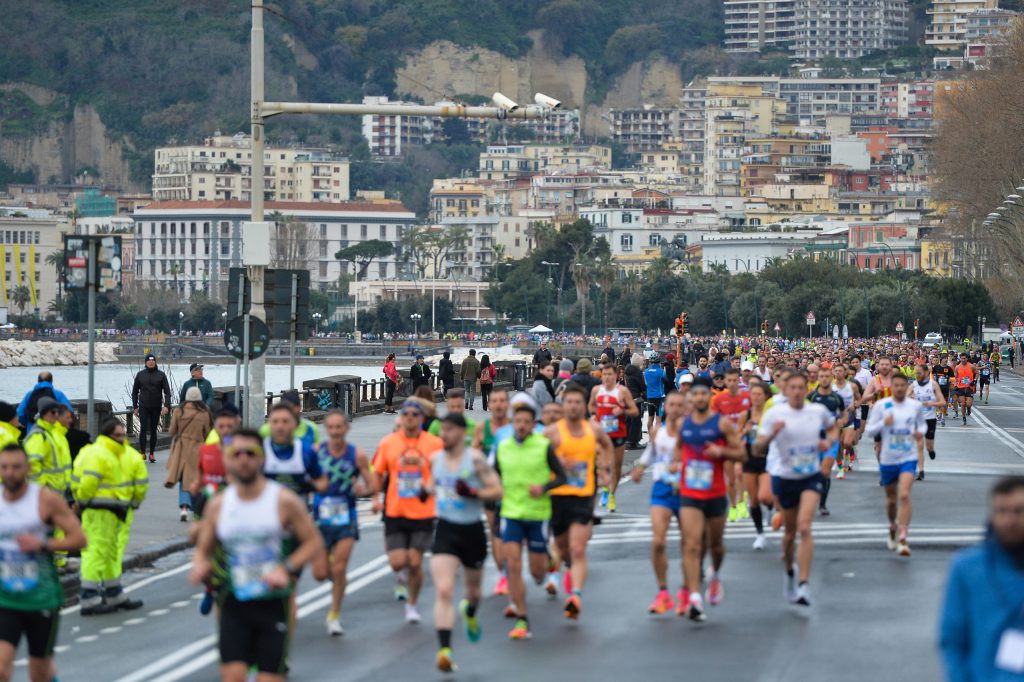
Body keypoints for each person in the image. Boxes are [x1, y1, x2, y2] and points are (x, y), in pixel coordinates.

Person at [188, 429, 324, 682]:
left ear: (262, 458)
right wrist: (200, 566)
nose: (243, 459)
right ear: (227, 458)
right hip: (233, 599)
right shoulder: (218, 505)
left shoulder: (283, 500)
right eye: (236, 453)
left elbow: (313, 541)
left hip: (272, 603)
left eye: (250, 453)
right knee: (233, 677)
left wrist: (286, 568)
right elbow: (203, 550)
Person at [0, 443, 86, 682]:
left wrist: (42, 545)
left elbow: (79, 539)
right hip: (5, 598)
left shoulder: (45, 500)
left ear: (27, 467)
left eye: (16, 467)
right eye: (4, 467)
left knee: (39, 673)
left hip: (42, 598)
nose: (9, 473)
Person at [754, 371, 838, 607]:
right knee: (790, 534)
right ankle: (789, 572)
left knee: (804, 527)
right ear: (785, 389)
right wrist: (772, 434)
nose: (798, 391)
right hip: (784, 477)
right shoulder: (775, 414)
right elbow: (758, 449)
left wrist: (828, 442)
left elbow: (833, 428)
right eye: (793, 387)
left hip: (810, 476)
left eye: (802, 387)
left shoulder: (816, 411)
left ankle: (803, 584)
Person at [427, 413, 502, 672]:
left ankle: (469, 612)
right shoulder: (435, 459)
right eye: (442, 430)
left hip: (472, 531)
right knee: (445, 589)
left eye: (448, 430)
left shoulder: (476, 460)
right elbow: (430, 486)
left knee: (473, 593)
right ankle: (444, 649)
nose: (443, 434)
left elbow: (497, 490)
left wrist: (473, 492)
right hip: (446, 529)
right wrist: (423, 492)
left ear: (460, 432)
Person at [494, 397, 567, 639]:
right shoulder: (503, 447)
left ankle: (549, 560)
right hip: (511, 513)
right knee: (513, 565)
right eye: (518, 421)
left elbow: (562, 477)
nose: (522, 425)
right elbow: (493, 477)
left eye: (527, 421)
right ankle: (522, 619)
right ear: (513, 422)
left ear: (532, 423)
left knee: (537, 575)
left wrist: (544, 487)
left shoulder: (543, 446)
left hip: (538, 515)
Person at [939, 476, 1024, 682]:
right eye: (1001, 511)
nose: (1009, 521)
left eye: (1019, 511)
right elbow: (952, 639)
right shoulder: (967, 568)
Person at [677, 377, 745, 621]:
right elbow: (675, 453)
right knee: (693, 544)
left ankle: (715, 573)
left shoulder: (722, 424)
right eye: (695, 395)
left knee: (715, 545)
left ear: (710, 397)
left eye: (704, 394)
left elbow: (741, 453)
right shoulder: (682, 425)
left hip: (715, 492)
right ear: (690, 398)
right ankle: (695, 598)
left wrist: (722, 452)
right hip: (689, 493)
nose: (700, 398)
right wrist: (674, 470)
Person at [372, 399, 443, 623]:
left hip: (423, 511)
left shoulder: (434, 444)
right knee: (397, 562)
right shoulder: (388, 443)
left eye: (414, 414)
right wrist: (375, 497)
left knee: (414, 562)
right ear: (401, 417)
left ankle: (412, 604)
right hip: (395, 510)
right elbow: (378, 473)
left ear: (421, 418)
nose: (410, 417)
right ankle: (401, 576)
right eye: (406, 414)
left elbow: (442, 473)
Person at [546, 383, 612, 620]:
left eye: (577, 402)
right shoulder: (552, 433)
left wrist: (605, 468)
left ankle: (575, 596)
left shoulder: (593, 429)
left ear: (584, 406)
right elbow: (535, 458)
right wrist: (556, 465)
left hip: (584, 496)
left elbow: (607, 445)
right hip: (558, 497)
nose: (573, 406)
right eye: (569, 402)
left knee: (577, 548)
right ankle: (567, 570)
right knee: (562, 548)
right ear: (563, 406)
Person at [310, 410, 374, 637]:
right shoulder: (317, 453)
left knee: (339, 567)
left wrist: (364, 491)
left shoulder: (356, 455)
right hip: (321, 518)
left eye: (340, 427)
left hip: (346, 518)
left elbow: (372, 484)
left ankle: (334, 615)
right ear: (327, 430)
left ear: (346, 428)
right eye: (332, 428)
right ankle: (332, 571)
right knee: (320, 573)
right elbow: (306, 481)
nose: (335, 432)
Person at [72, 419, 144, 615]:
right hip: (100, 510)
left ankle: (113, 592)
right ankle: (89, 596)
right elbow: (88, 482)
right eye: (119, 435)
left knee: (109, 551)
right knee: (97, 550)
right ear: (109, 435)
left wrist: (81, 500)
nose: (122, 438)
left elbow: (78, 478)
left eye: (123, 434)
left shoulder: (99, 452)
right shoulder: (104, 454)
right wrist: (84, 501)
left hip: (110, 510)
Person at [632, 390, 687, 614]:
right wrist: (640, 469)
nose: (673, 408)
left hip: (686, 490)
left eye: (678, 405)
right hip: (662, 489)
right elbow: (651, 455)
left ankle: (686, 589)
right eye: (670, 405)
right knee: (658, 542)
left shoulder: (691, 433)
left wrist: (682, 464)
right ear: (666, 408)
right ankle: (663, 592)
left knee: (690, 544)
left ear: (684, 409)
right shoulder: (658, 433)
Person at [866, 372, 924, 556]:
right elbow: (869, 431)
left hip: (908, 456)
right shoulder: (882, 406)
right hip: (888, 458)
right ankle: (892, 525)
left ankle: (903, 537)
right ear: (891, 387)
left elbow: (922, 426)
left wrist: (918, 432)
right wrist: (884, 422)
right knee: (892, 499)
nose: (899, 388)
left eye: (902, 385)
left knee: (905, 495)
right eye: (896, 385)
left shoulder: (914, 406)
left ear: (907, 387)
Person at [590, 363, 640, 513]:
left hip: (618, 432)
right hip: (602, 434)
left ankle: (612, 494)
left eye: (610, 374)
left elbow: (635, 411)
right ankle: (605, 490)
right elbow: (591, 406)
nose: (607, 377)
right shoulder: (596, 390)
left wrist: (622, 410)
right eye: (604, 374)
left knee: (616, 467)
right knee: (602, 465)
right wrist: (595, 415)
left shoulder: (622, 391)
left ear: (617, 375)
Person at [710, 368, 752, 523]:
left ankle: (742, 502)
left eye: (735, 380)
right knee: (731, 479)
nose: (733, 383)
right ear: (726, 382)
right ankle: (733, 506)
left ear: (739, 380)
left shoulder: (747, 396)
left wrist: (746, 429)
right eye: (730, 381)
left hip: (743, 440)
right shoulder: (719, 400)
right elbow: (714, 421)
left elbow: (752, 417)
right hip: (726, 442)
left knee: (739, 471)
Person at [167, 387, 213, 521]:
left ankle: (184, 508)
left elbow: (172, 431)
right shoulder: (204, 413)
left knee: (182, 478)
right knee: (194, 478)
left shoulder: (178, 411)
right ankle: (194, 506)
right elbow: (208, 433)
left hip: (181, 447)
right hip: (197, 448)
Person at [741, 382, 773, 550]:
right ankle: (760, 533)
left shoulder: (771, 415)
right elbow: (737, 437)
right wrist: (744, 432)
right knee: (753, 500)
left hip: (768, 459)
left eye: (760, 394)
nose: (756, 398)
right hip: (749, 459)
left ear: (766, 396)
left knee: (764, 496)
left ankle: (770, 506)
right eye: (753, 394)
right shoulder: (745, 415)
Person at [131, 354, 171, 463]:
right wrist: (135, 406)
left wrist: (166, 406)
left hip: (156, 406)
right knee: (143, 428)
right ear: (145, 363)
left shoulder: (161, 375)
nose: (151, 362)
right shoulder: (140, 375)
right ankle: (142, 452)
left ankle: (152, 453)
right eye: (149, 361)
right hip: (143, 406)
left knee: (153, 430)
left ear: (155, 362)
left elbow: (167, 392)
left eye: (153, 361)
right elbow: (134, 392)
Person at [911, 363, 945, 481]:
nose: (917, 375)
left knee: (928, 446)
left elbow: (943, 402)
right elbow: (903, 399)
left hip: (930, 419)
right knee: (919, 445)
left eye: (919, 373)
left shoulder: (933, 385)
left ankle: (931, 450)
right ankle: (921, 471)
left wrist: (932, 404)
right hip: (918, 419)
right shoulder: (913, 385)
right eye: (916, 373)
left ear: (926, 373)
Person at [624, 353, 646, 449]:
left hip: (628, 397)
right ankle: (634, 441)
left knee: (629, 420)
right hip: (637, 397)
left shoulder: (627, 371)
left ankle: (627, 440)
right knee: (636, 420)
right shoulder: (638, 372)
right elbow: (642, 386)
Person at [643, 353, 667, 438]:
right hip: (659, 398)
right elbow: (666, 380)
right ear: (658, 361)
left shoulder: (645, 371)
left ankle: (651, 437)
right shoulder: (661, 371)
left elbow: (645, 383)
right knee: (658, 420)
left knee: (650, 419)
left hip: (650, 397)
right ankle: (657, 438)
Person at [953, 354, 975, 425]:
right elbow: (955, 377)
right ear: (960, 359)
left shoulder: (971, 366)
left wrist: (974, 381)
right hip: (961, 387)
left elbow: (977, 373)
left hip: (969, 387)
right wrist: (956, 384)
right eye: (962, 358)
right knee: (962, 404)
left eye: (964, 358)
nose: (963, 360)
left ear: (967, 359)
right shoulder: (957, 367)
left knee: (968, 404)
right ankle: (964, 418)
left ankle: (968, 408)